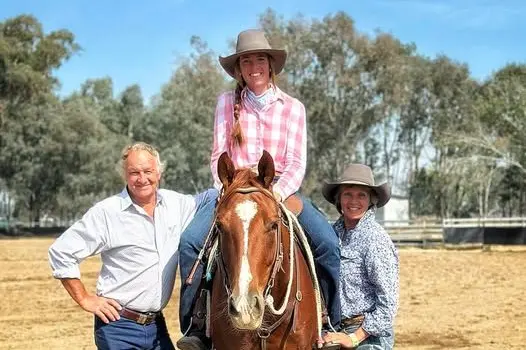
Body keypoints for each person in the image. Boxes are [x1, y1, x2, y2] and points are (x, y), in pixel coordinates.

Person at [177, 29, 341, 349]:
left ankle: (329, 321)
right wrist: (227, 189)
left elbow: (296, 162)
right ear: (239, 68)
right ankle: (196, 326)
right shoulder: (226, 103)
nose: (254, 66)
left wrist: (276, 193)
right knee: (189, 243)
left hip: (279, 190)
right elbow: (217, 156)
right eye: (247, 60)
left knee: (327, 244)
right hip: (234, 191)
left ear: (271, 65)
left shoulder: (293, 108)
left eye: (260, 60)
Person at [48, 142, 216, 350]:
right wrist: (85, 298)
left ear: (159, 173)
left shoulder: (176, 204)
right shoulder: (107, 213)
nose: (142, 178)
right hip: (118, 326)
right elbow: (61, 252)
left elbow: (210, 197)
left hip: (156, 327)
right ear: (125, 175)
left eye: (148, 171)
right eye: (134, 172)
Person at [321, 164, 399, 350]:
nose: (353, 201)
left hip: (368, 336)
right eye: (348, 194)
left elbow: (388, 304)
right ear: (338, 199)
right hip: (336, 328)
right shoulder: (332, 234)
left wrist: (355, 338)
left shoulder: (375, 239)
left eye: (361, 195)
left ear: (371, 200)